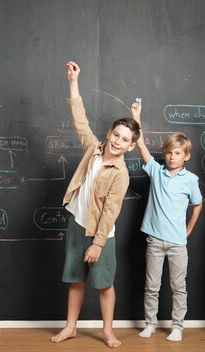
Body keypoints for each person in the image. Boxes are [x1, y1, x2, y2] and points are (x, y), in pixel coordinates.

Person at [50, 61, 140, 348]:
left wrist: (98, 243)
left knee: (103, 284)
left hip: (102, 234)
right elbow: (80, 120)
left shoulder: (121, 174)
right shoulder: (93, 149)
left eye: (125, 140)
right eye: (116, 135)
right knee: (75, 280)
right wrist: (73, 82)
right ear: (109, 133)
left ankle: (108, 332)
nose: (118, 141)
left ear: (130, 146)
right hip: (78, 224)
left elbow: (110, 212)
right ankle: (70, 327)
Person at [131, 102, 203, 342]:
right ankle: (150, 323)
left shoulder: (190, 179)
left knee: (178, 287)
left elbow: (198, 204)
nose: (172, 157)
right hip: (154, 240)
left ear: (186, 156)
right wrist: (137, 117)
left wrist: (188, 230)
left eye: (178, 153)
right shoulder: (156, 171)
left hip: (178, 243)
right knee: (151, 286)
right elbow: (140, 143)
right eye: (169, 152)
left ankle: (177, 327)